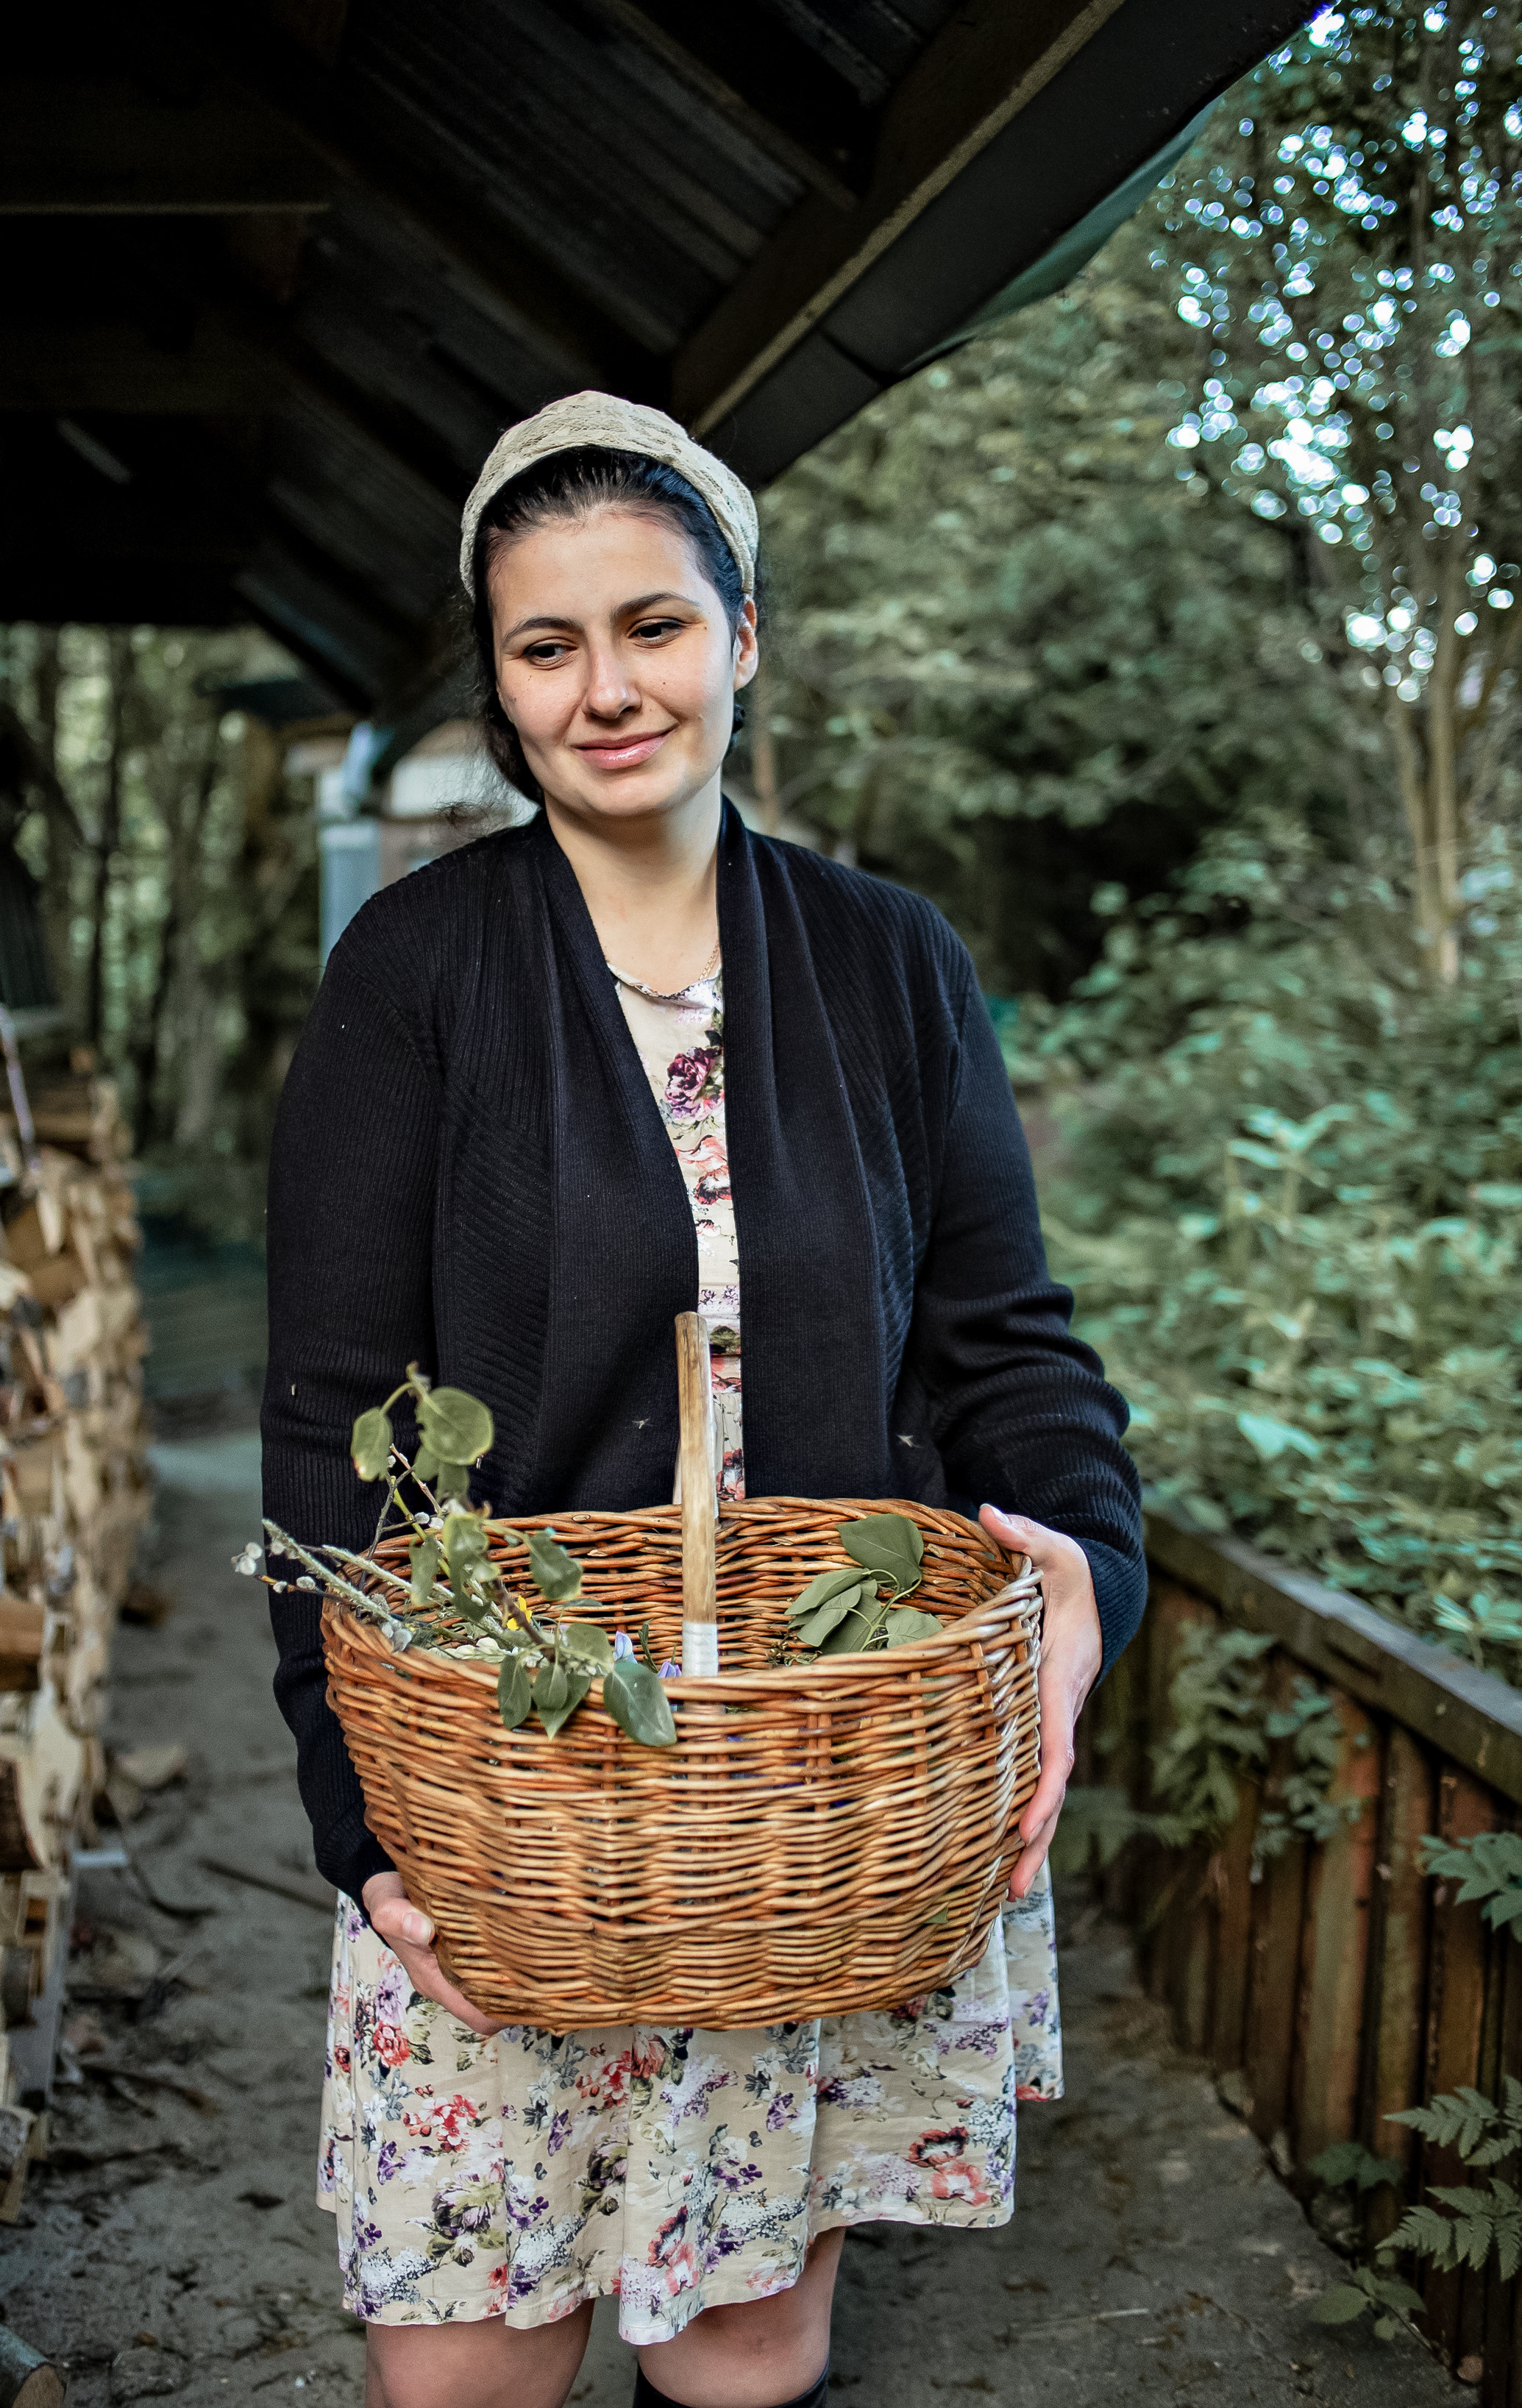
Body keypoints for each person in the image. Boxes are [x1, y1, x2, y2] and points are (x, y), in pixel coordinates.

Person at [261, 392, 1144, 2408]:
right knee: (463, 2362)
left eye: (652, 624)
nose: (605, 689)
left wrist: (1090, 1565)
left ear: (746, 633)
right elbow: (329, 1421)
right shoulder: (416, 974)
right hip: (517, 1817)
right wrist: (356, 1807)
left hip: (795, 1810)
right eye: (544, 644)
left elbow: (1011, 1342)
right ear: (496, 681)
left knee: (748, 2355)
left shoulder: (891, 964)